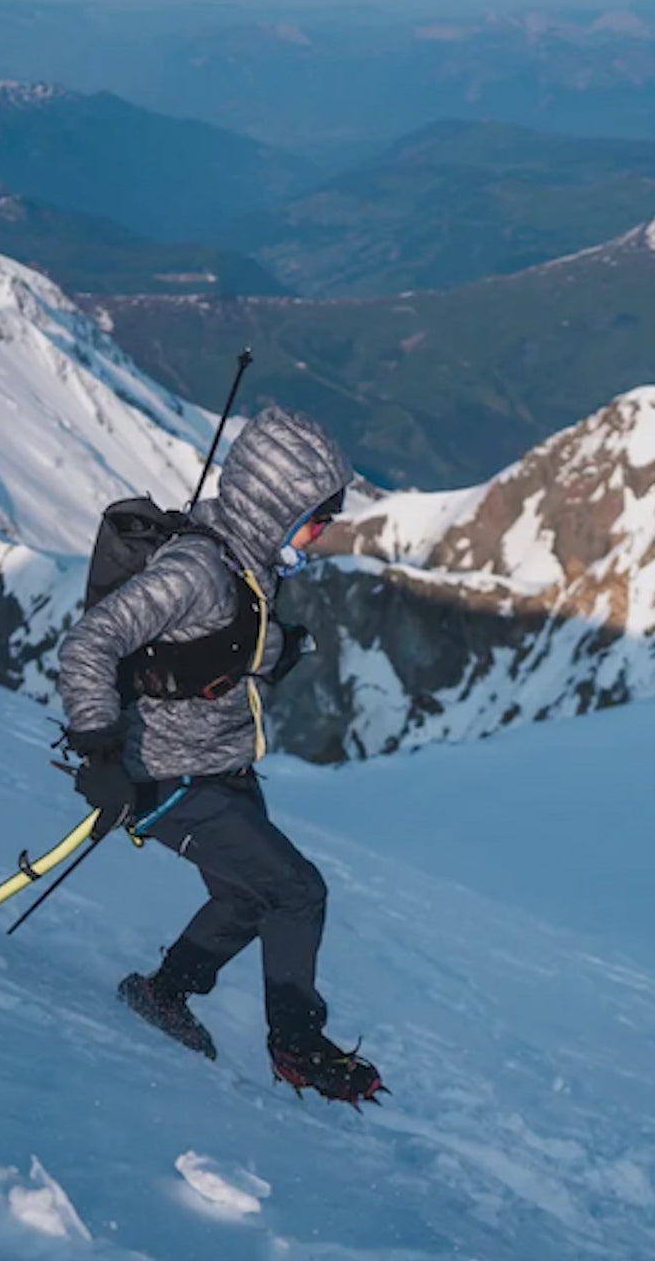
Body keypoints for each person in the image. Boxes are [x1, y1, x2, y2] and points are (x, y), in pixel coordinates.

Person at [54, 406, 383, 1105]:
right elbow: (90, 645)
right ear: (276, 503)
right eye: (314, 517)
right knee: (296, 890)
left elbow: (216, 639)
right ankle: (295, 1043)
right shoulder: (198, 568)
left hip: (220, 768)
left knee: (245, 894)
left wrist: (277, 649)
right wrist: (100, 755)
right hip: (165, 778)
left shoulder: (247, 562)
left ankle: (161, 994)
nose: (320, 534)